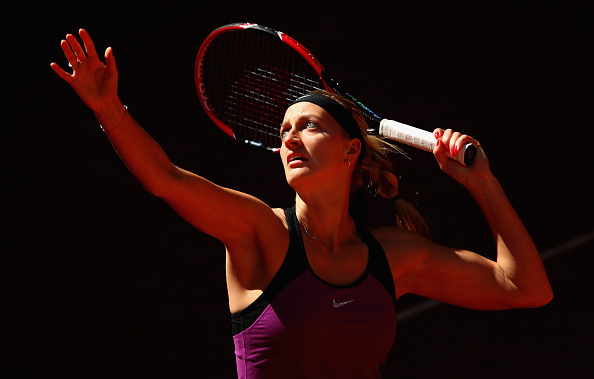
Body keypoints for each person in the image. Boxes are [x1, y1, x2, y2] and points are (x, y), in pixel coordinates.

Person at [51, 29, 553, 378]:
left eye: (308, 126)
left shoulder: (395, 256)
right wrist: (107, 108)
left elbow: (526, 289)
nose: (289, 139)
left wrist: (482, 184)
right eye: (284, 130)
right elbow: (163, 179)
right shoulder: (260, 233)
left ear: (351, 151)